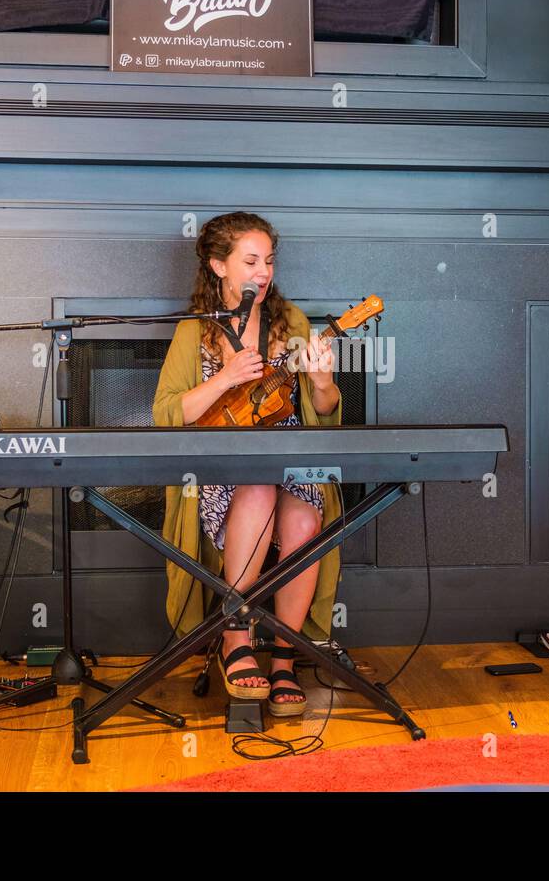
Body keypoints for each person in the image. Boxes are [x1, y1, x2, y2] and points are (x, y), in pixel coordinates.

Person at [152, 212, 342, 717]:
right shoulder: (196, 331)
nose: (263, 272)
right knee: (256, 488)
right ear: (218, 266)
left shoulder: (293, 323)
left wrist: (322, 382)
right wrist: (223, 379)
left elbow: (322, 411)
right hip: (221, 463)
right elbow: (167, 413)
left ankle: (283, 655)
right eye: (251, 260)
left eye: (270, 261)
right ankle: (235, 637)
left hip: (290, 457)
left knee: (305, 516)